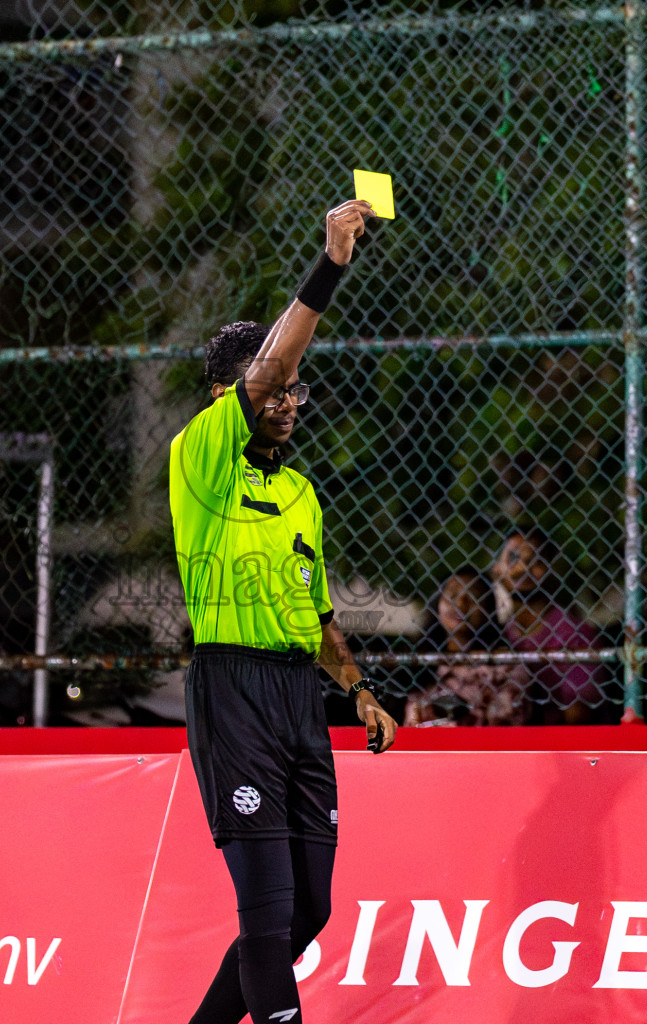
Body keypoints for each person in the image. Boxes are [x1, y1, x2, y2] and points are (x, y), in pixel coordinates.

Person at [170, 199, 397, 1024]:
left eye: (299, 388)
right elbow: (264, 371)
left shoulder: (300, 492)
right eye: (277, 386)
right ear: (237, 395)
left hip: (301, 697)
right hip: (232, 689)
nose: (290, 398)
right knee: (263, 917)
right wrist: (331, 263)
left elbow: (321, 614)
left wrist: (359, 687)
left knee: (310, 912)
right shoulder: (200, 458)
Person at [492, 526, 605, 724]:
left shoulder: (575, 634)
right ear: (497, 570)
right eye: (513, 558)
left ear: (551, 570)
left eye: (536, 560)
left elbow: (577, 719)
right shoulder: (496, 631)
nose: (524, 567)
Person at [404, 567, 525, 725]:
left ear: (488, 608)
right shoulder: (421, 663)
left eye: (473, 596)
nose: (461, 603)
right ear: (437, 605)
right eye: (453, 595)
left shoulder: (507, 667)